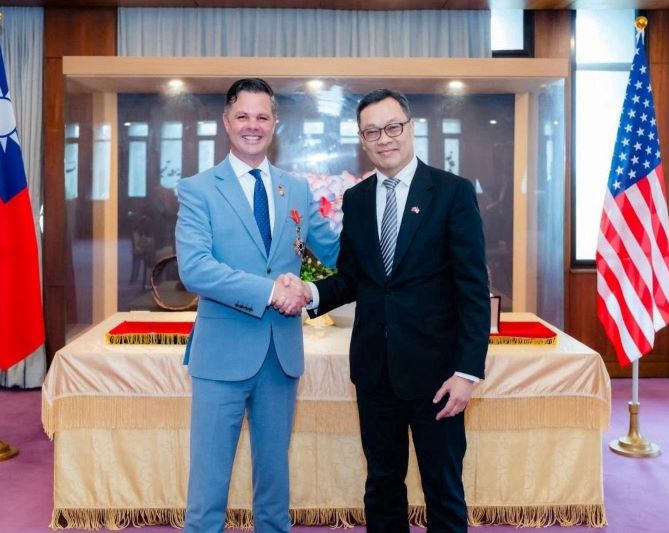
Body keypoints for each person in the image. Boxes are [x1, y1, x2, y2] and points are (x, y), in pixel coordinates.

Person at [306, 89, 490, 532]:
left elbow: (473, 290)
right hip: (375, 373)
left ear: (410, 128)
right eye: (372, 131)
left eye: (393, 127)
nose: (384, 138)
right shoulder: (356, 199)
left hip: (438, 378)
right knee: (382, 485)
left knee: (443, 490)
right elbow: (353, 277)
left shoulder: (452, 193)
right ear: (362, 139)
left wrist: (467, 373)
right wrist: (309, 295)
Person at [175, 78, 339, 533]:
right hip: (221, 355)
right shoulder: (198, 189)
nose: (253, 125)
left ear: (275, 124)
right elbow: (196, 269)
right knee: (207, 492)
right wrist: (270, 292)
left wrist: (387, 228)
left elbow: (332, 255)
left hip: (280, 356)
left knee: (274, 491)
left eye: (262, 116)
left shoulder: (297, 190)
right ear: (227, 122)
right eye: (243, 116)